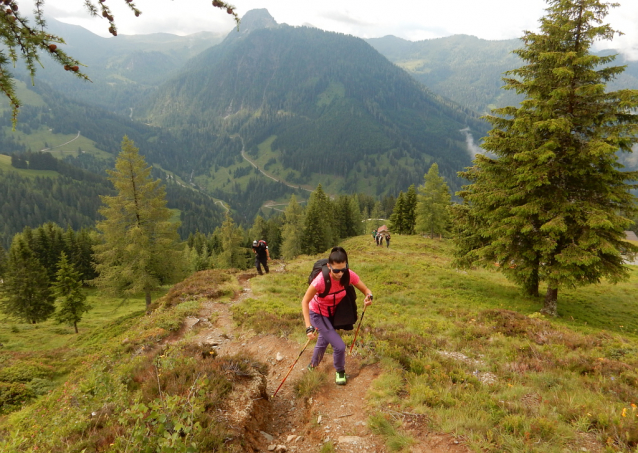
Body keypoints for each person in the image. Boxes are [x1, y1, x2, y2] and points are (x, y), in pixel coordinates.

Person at [301, 246, 373, 385]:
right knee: (339, 346)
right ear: (329, 266)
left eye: (343, 269)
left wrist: (369, 297)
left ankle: (313, 365)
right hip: (318, 313)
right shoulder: (320, 280)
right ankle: (340, 371)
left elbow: (366, 290)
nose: (340, 273)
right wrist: (308, 327)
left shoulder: (349, 275)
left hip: (334, 313)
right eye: (336, 270)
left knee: (323, 341)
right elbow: (305, 301)